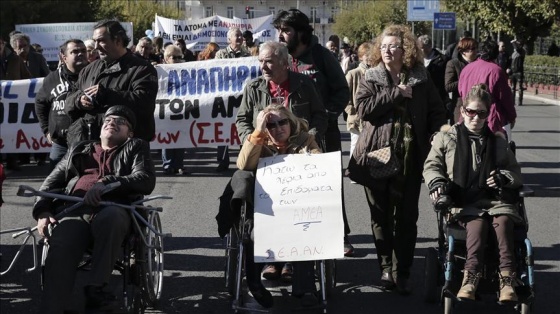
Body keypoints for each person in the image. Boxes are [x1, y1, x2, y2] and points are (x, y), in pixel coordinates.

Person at [347, 24, 447, 295]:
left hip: (411, 159)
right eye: (383, 46)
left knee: (407, 218)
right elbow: (364, 109)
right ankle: (385, 268)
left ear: (407, 50)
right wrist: (395, 93)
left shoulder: (421, 78)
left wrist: (437, 134)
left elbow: (438, 112)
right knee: (380, 216)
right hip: (377, 156)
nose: (388, 50)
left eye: (393, 46)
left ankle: (402, 270)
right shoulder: (372, 76)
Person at [33, 105, 156, 313]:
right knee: (62, 240)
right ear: (100, 130)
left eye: (120, 122)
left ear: (130, 133)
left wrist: (107, 183)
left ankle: (96, 289)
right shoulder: (78, 149)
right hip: (75, 210)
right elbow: (49, 185)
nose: (112, 123)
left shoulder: (136, 146)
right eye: (108, 120)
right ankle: (52, 308)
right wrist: (43, 212)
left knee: (111, 218)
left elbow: (145, 179)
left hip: (115, 208)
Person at [235, 41, 328, 281]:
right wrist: (254, 140)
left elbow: (319, 114)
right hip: (265, 155)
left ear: (284, 63)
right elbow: (242, 119)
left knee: (298, 205)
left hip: (299, 152)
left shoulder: (305, 84)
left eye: (268, 61)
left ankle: (293, 263)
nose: (263, 66)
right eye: (260, 62)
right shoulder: (253, 88)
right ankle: (272, 261)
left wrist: (309, 139)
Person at [423, 84, 523, 303]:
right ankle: (470, 278)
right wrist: (437, 182)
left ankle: (507, 280)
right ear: (462, 111)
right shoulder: (446, 138)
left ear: (487, 115)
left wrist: (504, 177)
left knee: (504, 221)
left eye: (481, 113)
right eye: (471, 111)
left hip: (495, 201)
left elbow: (516, 173)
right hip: (462, 201)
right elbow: (432, 166)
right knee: (477, 224)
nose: (475, 118)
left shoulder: (497, 142)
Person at [272, 9, 354, 256]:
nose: (281, 35)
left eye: (286, 30)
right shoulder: (280, 56)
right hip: (284, 136)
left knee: (327, 187)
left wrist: (327, 116)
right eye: (279, 30)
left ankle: (340, 235)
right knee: (289, 189)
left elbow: (342, 90)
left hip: (321, 133)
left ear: (301, 32)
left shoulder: (321, 56)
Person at [235, 104, 322, 308]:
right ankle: (256, 284)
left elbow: (320, 165)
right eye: (271, 125)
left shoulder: (305, 140)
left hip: (299, 207)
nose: (277, 128)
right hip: (268, 210)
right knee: (254, 235)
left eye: (282, 122)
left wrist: (308, 160)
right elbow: (243, 165)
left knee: (306, 228)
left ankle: (304, 287)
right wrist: (257, 131)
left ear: (290, 123)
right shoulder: (260, 142)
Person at [64, 19, 158, 146]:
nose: (96, 47)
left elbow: (144, 103)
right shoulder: (89, 69)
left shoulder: (142, 69)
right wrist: (79, 101)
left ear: (118, 40)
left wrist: (107, 95)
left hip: (124, 149)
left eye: (101, 41)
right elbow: (68, 101)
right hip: (88, 146)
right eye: (95, 41)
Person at [35, 39, 89, 171]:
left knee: (87, 182)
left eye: (83, 51)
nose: (80, 54)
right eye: (75, 51)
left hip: (89, 142)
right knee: (55, 185)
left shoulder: (95, 74)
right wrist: (47, 130)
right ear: (64, 57)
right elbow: (40, 103)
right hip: (61, 143)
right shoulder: (52, 78)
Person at [458, 40, 516, 138]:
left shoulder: (467, 69)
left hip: (468, 117)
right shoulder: (496, 71)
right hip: (490, 120)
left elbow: (461, 92)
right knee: (497, 151)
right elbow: (506, 98)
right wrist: (512, 117)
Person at [214, 27, 252, 172]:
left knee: (243, 126)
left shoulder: (247, 55)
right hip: (225, 98)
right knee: (223, 128)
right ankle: (222, 161)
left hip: (242, 98)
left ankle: (244, 159)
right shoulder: (221, 54)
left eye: (241, 36)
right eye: (237, 35)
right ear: (229, 39)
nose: (240, 38)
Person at [11, 32, 51, 166]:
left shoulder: (38, 58)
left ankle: (40, 156)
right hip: (18, 100)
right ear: (13, 48)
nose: (23, 49)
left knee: (37, 126)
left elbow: (47, 75)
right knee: (20, 127)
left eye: (25, 46)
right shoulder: (11, 60)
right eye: (19, 47)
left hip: (37, 98)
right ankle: (23, 158)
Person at [0, 36, 31, 171]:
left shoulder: (15, 59)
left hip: (13, 102)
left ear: (3, 44)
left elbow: (27, 77)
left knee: (11, 129)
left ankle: (12, 159)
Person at [159, 45, 188, 175]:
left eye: (178, 57)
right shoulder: (161, 71)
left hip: (182, 108)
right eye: (173, 57)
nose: (176, 60)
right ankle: (168, 164)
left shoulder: (186, 70)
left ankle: (179, 164)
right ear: (166, 58)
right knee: (168, 137)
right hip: (166, 109)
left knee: (180, 137)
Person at [345, 42, 373, 159]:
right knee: (355, 144)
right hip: (356, 117)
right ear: (361, 56)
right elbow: (344, 94)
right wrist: (351, 110)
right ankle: (353, 170)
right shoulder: (353, 74)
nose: (369, 57)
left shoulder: (376, 72)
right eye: (366, 54)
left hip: (371, 115)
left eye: (371, 54)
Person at [445, 38, 479, 124]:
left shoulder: (479, 63)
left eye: (476, 48)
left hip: (478, 104)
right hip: (461, 106)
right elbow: (448, 86)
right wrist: (466, 80)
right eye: (472, 49)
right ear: (463, 51)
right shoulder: (453, 64)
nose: (475, 51)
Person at [417, 35, 449, 110]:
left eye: (422, 48)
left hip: (437, 98)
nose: (420, 51)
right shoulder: (415, 60)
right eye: (418, 48)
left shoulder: (443, 60)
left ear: (430, 46)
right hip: (420, 99)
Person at [510, 39, 526, 106]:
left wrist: (513, 42)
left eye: (518, 44)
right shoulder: (514, 53)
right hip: (513, 71)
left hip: (519, 71)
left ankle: (520, 101)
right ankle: (512, 101)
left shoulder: (521, 51)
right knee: (513, 87)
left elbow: (517, 48)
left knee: (519, 87)